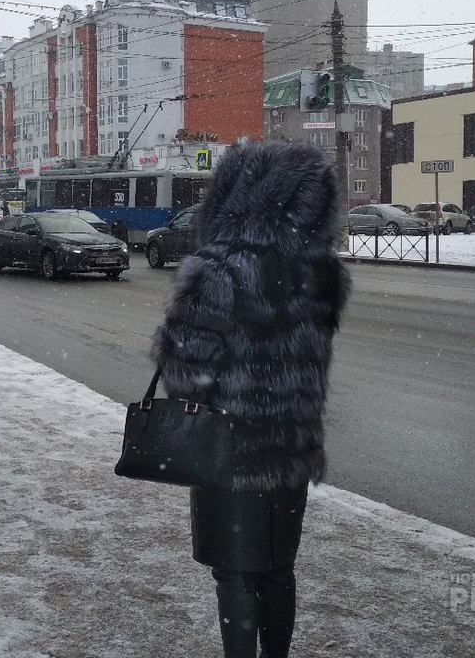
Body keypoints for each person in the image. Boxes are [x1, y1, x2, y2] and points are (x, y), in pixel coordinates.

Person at [151, 141, 348, 658]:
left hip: (228, 451)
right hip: (292, 450)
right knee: (278, 569)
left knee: (234, 571)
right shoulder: (323, 274)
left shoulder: (219, 267)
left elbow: (182, 365)